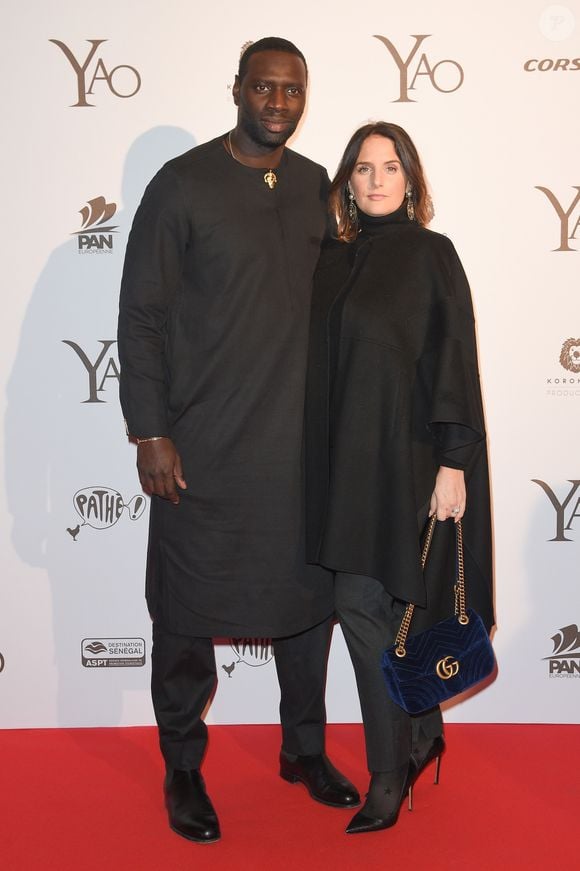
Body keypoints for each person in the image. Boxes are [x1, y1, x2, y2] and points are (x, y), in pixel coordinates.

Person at [117, 37, 360, 845]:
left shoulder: (317, 186)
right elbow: (142, 316)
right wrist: (150, 429)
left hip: (299, 448)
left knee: (305, 606)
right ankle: (183, 765)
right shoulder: (182, 184)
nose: (278, 102)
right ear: (237, 89)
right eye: (264, 86)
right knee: (186, 612)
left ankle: (304, 749)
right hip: (205, 445)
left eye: (292, 89)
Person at [305, 122, 494, 834]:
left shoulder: (430, 254)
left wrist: (454, 461)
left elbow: (454, 359)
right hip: (341, 469)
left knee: (367, 604)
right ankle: (421, 725)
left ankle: (388, 772)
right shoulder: (331, 259)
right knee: (372, 609)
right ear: (347, 183)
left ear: (410, 179)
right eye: (363, 168)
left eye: (390, 167)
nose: (377, 179)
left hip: (407, 463)